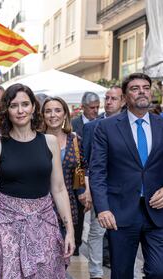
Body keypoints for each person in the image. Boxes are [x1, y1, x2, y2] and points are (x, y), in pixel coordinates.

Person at [0, 83, 75, 278]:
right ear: (7, 110)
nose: (20, 110)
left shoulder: (49, 142)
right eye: (14, 105)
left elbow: (58, 188)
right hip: (5, 224)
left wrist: (70, 230)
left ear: (33, 107)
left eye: (25, 104)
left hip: (44, 223)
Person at [90, 73, 163, 279]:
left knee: (159, 271)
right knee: (121, 273)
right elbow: (97, 171)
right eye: (135, 88)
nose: (142, 91)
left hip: (157, 212)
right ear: (124, 97)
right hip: (120, 212)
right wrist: (102, 208)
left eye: (146, 87)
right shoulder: (106, 128)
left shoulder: (162, 124)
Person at [83, 85, 125, 278]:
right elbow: (86, 161)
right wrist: (88, 189)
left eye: (113, 98)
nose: (108, 102)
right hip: (100, 188)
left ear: (123, 101)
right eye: (106, 98)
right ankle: (96, 272)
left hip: (125, 189)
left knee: (123, 232)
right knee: (97, 231)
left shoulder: (131, 126)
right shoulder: (92, 126)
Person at [41, 96, 90, 236]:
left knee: (64, 252)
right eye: (48, 111)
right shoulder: (36, 140)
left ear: (65, 114)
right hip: (41, 206)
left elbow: (82, 166)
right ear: (42, 115)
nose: (53, 115)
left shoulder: (74, 140)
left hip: (67, 205)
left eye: (57, 110)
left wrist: (85, 190)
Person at [71, 91, 100, 256]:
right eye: (91, 107)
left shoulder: (103, 123)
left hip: (96, 175)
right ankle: (75, 244)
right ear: (83, 107)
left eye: (97, 107)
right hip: (77, 174)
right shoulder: (72, 124)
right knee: (78, 211)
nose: (95, 111)